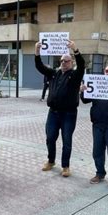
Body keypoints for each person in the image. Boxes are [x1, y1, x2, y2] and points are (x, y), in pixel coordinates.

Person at [35, 40, 85, 177]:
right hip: (53, 113)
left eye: (67, 61)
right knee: (50, 138)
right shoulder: (54, 73)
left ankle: (66, 166)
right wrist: (37, 52)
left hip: (69, 114)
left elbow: (82, 65)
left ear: (72, 63)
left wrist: (75, 50)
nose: (64, 62)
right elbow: (40, 67)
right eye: (62, 60)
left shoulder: (75, 75)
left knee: (66, 140)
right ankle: (51, 161)